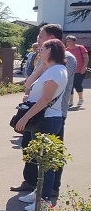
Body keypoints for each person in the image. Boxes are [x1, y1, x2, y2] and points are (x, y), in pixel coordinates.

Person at [11, 24, 76, 194]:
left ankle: (50, 188)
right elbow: (33, 82)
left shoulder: (65, 60)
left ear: (52, 38)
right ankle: (32, 183)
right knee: (30, 147)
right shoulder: (45, 58)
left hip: (53, 113)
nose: (38, 40)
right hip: (36, 111)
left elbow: (58, 88)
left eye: (41, 36)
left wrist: (39, 103)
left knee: (50, 153)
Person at [64, 35, 88, 106]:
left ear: (74, 41)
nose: (68, 42)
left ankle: (81, 99)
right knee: (69, 85)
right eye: (67, 41)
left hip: (79, 70)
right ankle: (70, 101)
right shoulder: (66, 50)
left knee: (77, 85)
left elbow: (86, 58)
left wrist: (84, 68)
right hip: (69, 70)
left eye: (70, 41)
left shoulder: (81, 48)